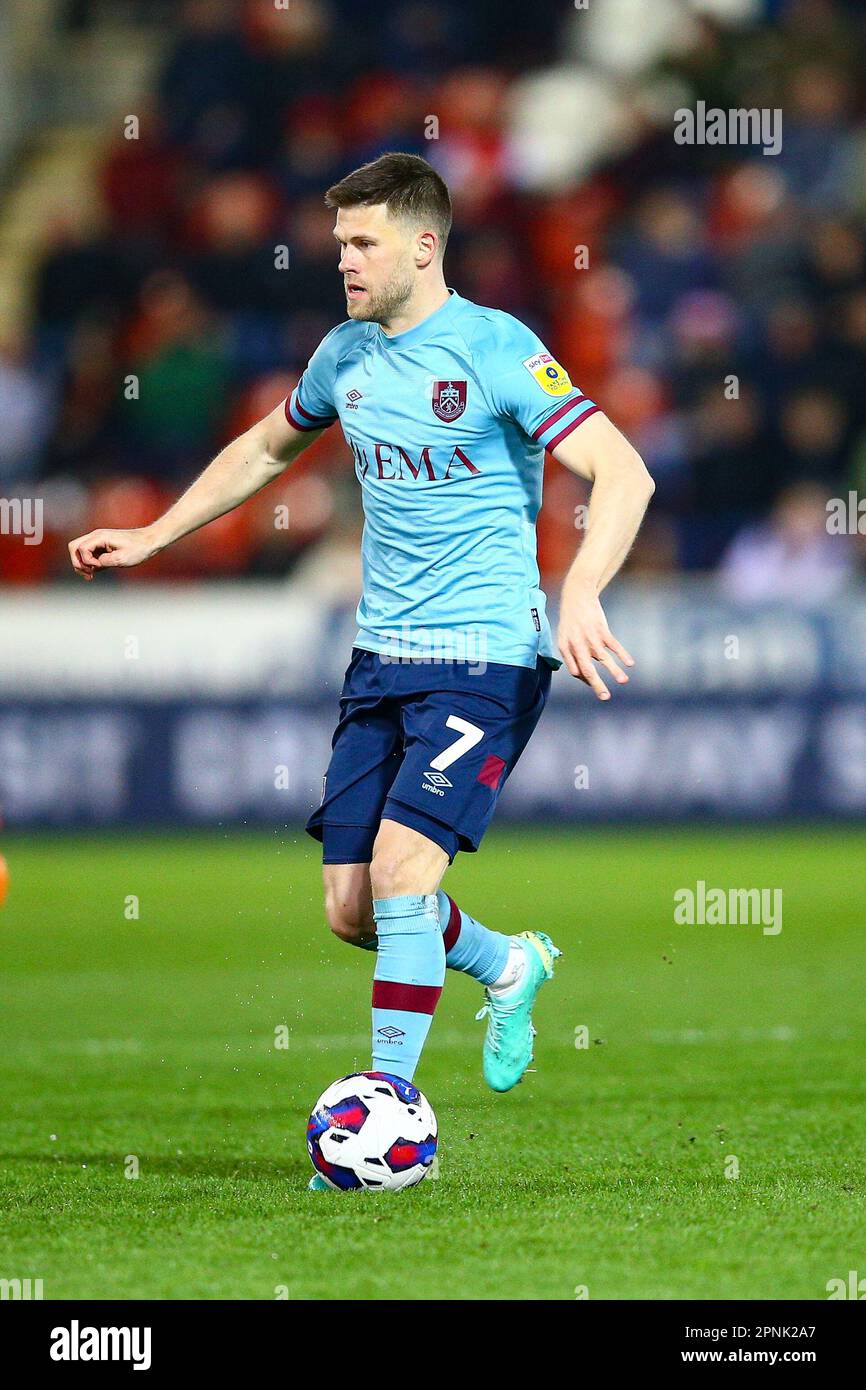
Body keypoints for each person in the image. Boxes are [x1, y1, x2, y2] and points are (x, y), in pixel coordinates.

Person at [69, 153, 654, 1185]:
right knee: (352, 910)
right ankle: (506, 962)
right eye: (338, 240)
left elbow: (621, 468)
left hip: (484, 656)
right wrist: (156, 532)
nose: (340, 258)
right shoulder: (341, 356)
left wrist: (583, 589)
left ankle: (388, 1109)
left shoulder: (494, 347)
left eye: (360, 241)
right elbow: (263, 446)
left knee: (398, 873)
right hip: (379, 659)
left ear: (423, 245)